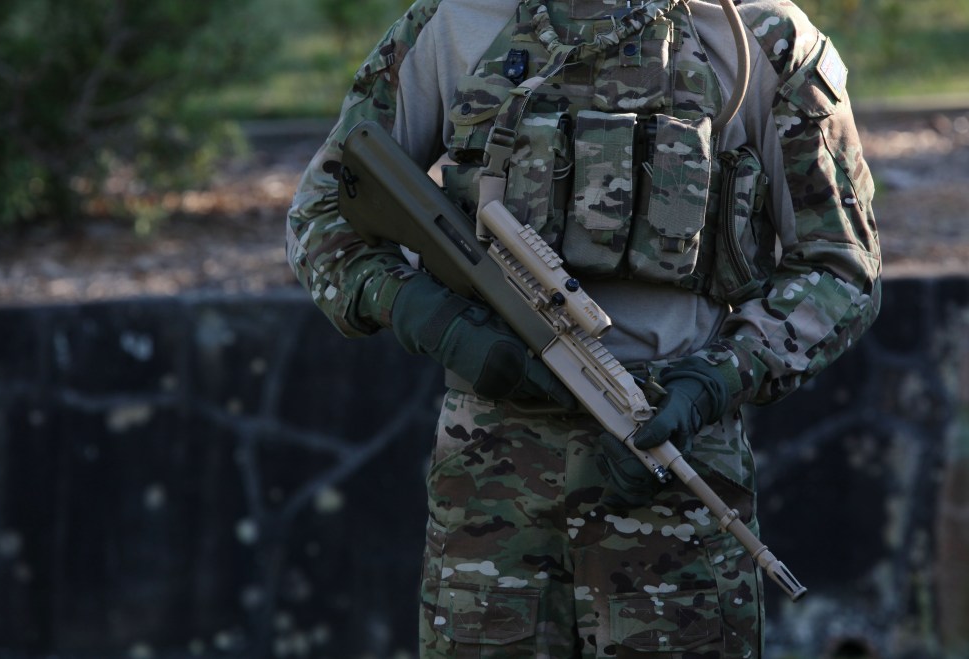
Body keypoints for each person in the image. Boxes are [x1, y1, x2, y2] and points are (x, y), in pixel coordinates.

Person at [286, 0, 881, 656]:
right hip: (492, 488)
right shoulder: (457, 23)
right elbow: (323, 217)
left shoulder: (759, 40)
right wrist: (434, 320)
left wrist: (718, 377)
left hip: (672, 472)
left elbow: (841, 266)